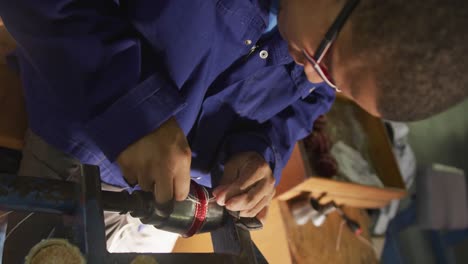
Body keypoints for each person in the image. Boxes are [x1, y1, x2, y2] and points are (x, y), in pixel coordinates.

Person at [0, 0, 467, 252]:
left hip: (179, 196)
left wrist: (258, 152)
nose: (311, 77)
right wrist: (132, 110)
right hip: (84, 147)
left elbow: (307, 102)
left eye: (336, 84)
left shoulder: (324, 47)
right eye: (325, 61)